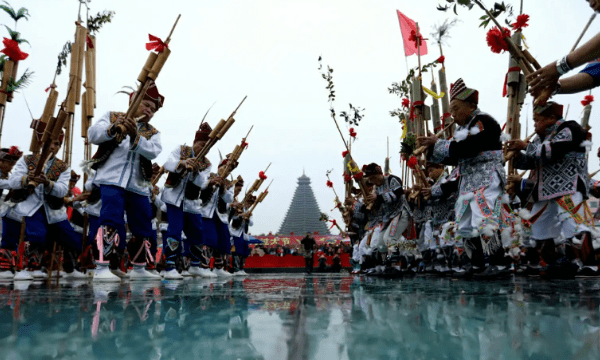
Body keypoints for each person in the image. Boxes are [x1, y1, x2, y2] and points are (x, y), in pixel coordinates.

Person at [418, 78, 508, 278]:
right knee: (465, 223)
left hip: (486, 177)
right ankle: (475, 264)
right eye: (451, 110)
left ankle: (498, 263)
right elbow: (453, 156)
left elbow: (469, 148)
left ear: (471, 106)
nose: (453, 114)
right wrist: (433, 148)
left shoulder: (483, 121)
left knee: (483, 218)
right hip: (467, 182)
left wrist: (439, 143)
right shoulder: (460, 130)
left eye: (456, 108)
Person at [87, 80, 163, 281]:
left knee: (142, 224)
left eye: (153, 109)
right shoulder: (112, 116)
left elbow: (154, 151)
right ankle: (102, 267)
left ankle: (139, 268)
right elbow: (93, 134)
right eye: (147, 105)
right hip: (111, 179)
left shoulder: (153, 132)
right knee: (110, 219)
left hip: (138, 185)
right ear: (134, 100)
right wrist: (113, 129)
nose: (150, 111)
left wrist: (135, 136)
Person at [507, 101, 593, 278]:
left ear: (552, 118)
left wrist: (525, 147)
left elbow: (553, 151)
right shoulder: (539, 139)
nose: (535, 125)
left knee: (573, 224)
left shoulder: (570, 129)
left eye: (537, 120)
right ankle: (553, 262)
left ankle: (589, 265)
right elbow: (532, 162)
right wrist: (516, 157)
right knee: (539, 226)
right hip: (545, 190)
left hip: (569, 186)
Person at [8, 133, 85, 280]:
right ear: (42, 143)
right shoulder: (27, 160)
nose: (52, 146)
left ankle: (69, 270)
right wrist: (26, 179)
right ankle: (30, 268)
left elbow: (62, 190)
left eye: (56, 144)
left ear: (59, 147)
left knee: (73, 239)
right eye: (50, 142)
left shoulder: (63, 167)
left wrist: (48, 183)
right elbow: (13, 181)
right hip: (31, 207)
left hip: (54, 210)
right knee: (37, 235)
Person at [161, 123, 212, 279]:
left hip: (191, 202)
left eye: (208, 147)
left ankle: (195, 266)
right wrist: (182, 163)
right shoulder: (181, 150)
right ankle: (170, 267)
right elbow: (167, 164)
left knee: (197, 233)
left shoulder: (207, 163)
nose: (204, 149)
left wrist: (196, 172)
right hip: (174, 199)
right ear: (195, 142)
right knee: (175, 230)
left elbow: (203, 183)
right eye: (202, 145)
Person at [0, 146, 23, 280]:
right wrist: (18, 182)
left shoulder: (6, 175)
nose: (11, 166)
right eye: (9, 163)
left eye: (13, 163)